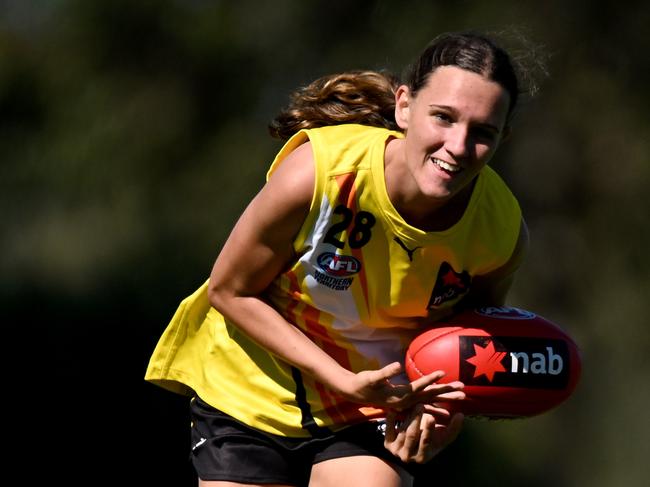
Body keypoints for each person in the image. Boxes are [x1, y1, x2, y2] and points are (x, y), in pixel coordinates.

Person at [146, 31, 531, 487]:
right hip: (248, 388)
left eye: (483, 133)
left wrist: (446, 415)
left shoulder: (500, 228)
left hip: (370, 405)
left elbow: (468, 342)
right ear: (405, 106)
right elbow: (229, 290)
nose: (458, 146)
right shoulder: (319, 175)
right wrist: (340, 378)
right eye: (443, 118)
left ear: (503, 136)